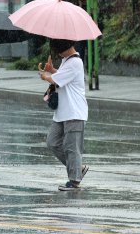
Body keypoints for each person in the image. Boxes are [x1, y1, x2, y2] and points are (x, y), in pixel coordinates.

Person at [38, 39, 90, 191]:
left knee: (72, 147)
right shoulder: (66, 61)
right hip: (62, 112)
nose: (58, 54)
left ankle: (74, 181)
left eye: (59, 51)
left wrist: (46, 75)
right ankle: (77, 168)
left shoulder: (75, 62)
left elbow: (57, 80)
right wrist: (53, 70)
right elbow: (62, 76)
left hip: (74, 111)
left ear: (66, 48)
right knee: (52, 142)